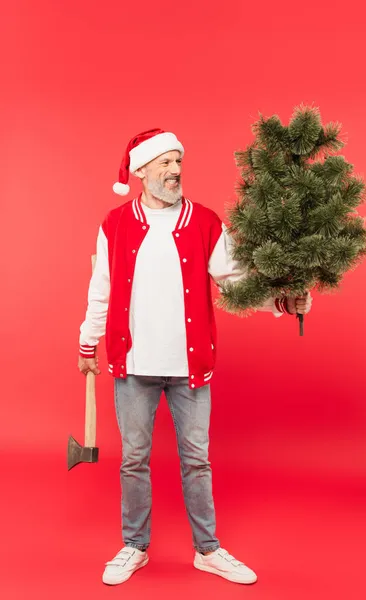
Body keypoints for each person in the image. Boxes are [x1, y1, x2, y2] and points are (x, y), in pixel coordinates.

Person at [78, 128, 312, 586]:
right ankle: (134, 545)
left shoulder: (204, 221)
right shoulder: (114, 223)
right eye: (164, 163)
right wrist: (88, 343)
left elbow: (235, 281)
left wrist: (281, 302)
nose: (175, 170)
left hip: (190, 365)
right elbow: (100, 289)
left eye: (178, 161)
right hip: (134, 364)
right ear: (141, 171)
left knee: (197, 459)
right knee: (134, 458)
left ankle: (208, 550)